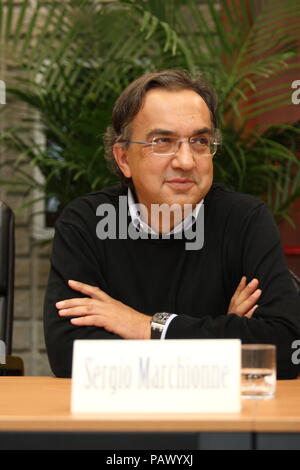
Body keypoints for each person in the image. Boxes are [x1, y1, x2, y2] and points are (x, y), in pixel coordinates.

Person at [43, 69, 300, 379]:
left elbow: (284, 348)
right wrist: (223, 338)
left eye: (200, 141)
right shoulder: (86, 224)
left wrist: (144, 326)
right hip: (117, 420)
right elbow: (72, 358)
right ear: (124, 158)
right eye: (162, 141)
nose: (186, 161)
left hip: (222, 419)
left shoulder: (244, 220)